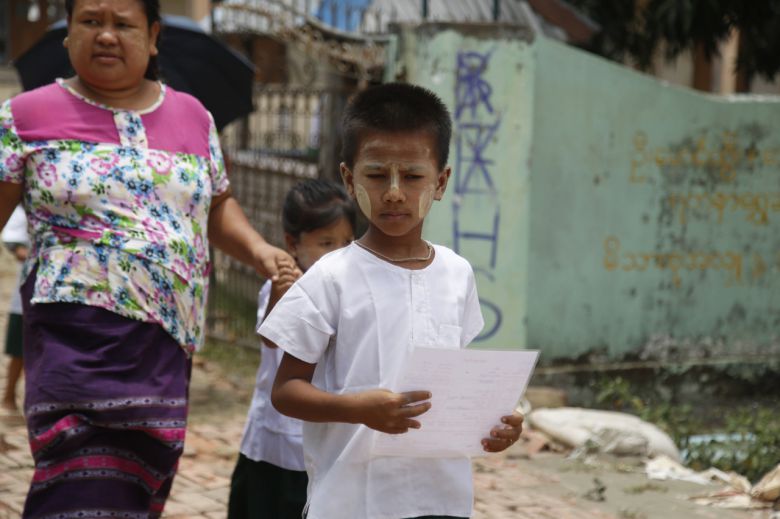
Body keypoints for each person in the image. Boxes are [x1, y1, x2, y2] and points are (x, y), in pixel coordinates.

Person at [0, 0, 293, 516]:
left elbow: (217, 204)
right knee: (77, 480)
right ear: (68, 34)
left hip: (164, 346)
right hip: (74, 341)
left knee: (138, 484)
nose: (107, 35)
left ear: (153, 35)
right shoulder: (25, 116)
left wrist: (259, 249)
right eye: (91, 21)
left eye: (123, 24)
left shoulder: (192, 116)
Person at [261, 83, 525, 519]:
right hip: (352, 498)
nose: (395, 192)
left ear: (440, 182)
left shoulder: (457, 273)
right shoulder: (330, 276)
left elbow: (455, 383)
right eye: (378, 175)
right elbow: (286, 391)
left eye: (414, 176)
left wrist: (495, 422)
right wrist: (356, 408)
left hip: (442, 495)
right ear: (349, 179)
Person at [228, 179, 356, 519]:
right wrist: (281, 292)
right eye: (326, 243)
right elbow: (272, 338)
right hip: (275, 446)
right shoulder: (284, 287)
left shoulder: (352, 291)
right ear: (292, 243)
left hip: (328, 444)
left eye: (346, 241)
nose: (339, 252)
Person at [2, 205, 28, 416]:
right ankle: (9, 396)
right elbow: (12, 240)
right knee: (18, 348)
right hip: (27, 290)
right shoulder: (24, 209)